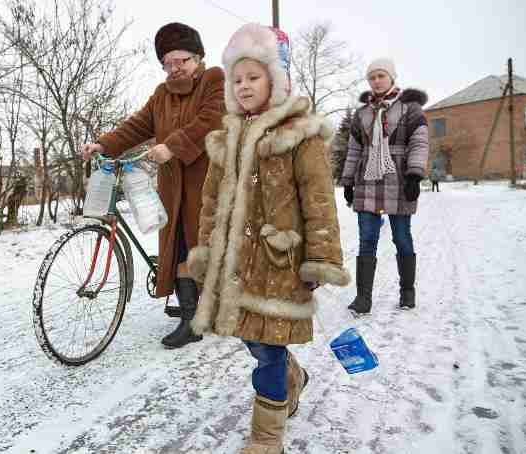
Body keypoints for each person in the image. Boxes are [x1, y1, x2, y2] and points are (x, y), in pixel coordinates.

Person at [186, 24, 350, 453]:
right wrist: (204, 250)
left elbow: (318, 201)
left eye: (253, 77)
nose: (243, 87)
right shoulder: (226, 137)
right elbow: (209, 201)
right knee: (254, 342)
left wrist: (321, 257)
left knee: (270, 352)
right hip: (237, 266)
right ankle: (293, 377)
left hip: (281, 263)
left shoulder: (301, 135)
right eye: (236, 79)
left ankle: (266, 438)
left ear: (276, 80)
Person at [81, 23, 226, 349]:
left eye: (182, 61)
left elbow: (211, 119)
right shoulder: (161, 95)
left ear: (198, 57)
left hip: (208, 181)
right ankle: (192, 314)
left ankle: (201, 315)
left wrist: (172, 145)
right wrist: (104, 145)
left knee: (199, 243)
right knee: (176, 244)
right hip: (173, 185)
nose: (175, 68)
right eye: (168, 63)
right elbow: (139, 125)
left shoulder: (215, 80)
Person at [340, 58, 429, 314]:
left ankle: (407, 292)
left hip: (399, 179)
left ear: (392, 77)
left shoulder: (410, 108)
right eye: (372, 77)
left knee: (402, 237)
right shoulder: (363, 114)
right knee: (367, 238)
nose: (376, 81)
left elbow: (419, 142)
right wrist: (347, 181)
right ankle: (363, 298)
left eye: (381, 75)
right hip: (367, 180)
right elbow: (354, 149)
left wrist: (414, 174)